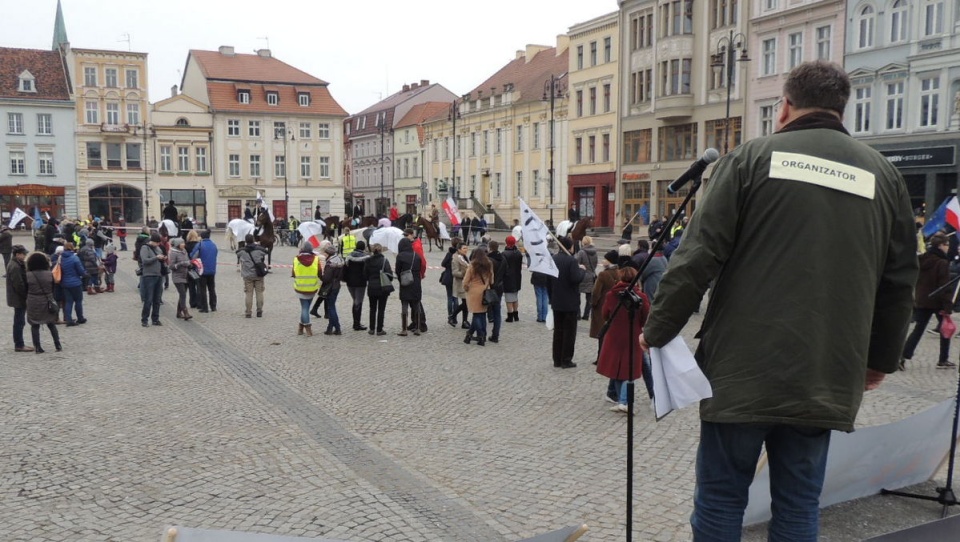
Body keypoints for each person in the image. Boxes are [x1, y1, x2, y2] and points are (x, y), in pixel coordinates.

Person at [638, 61, 918, 541]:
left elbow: (698, 256)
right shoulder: (884, 176)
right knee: (799, 503)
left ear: (785, 106)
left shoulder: (750, 159)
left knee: (722, 499)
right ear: (842, 109)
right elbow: (898, 282)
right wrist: (879, 361)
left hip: (742, 371)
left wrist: (658, 329)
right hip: (826, 370)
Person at [597, 266, 650, 413]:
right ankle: (623, 401)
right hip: (633, 336)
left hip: (614, 336)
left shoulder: (611, 295)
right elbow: (645, 316)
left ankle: (622, 400)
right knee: (629, 369)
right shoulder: (641, 297)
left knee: (618, 368)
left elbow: (605, 314)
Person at [901, 233, 955, 370]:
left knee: (918, 330)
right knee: (945, 330)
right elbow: (945, 286)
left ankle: (903, 356)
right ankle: (943, 359)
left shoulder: (921, 259)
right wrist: (948, 306)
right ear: (941, 245)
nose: (948, 247)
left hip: (923, 300)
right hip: (937, 302)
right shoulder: (942, 263)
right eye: (947, 244)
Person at [548, 237, 585, 368]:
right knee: (569, 332)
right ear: (570, 247)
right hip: (570, 302)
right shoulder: (572, 261)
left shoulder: (554, 259)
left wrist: (551, 297)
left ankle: (557, 359)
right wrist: (582, 270)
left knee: (558, 331)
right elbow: (575, 279)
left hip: (557, 301)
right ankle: (566, 359)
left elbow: (548, 281)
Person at [24, 252, 61, 353]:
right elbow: (53, 288)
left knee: (35, 325)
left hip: (33, 301)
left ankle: (38, 347)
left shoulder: (28, 275)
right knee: (51, 323)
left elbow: (25, 289)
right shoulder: (49, 274)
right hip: (47, 300)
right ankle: (57, 344)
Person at [590, 249, 620, 364]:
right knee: (612, 333)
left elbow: (596, 292)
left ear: (609, 261)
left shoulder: (603, 274)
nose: (603, 261)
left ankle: (601, 357)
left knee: (602, 333)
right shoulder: (619, 272)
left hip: (603, 306)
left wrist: (593, 303)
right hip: (616, 307)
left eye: (605, 259)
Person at [462, 246, 493, 345]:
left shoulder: (472, 265)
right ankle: (481, 334)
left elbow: (466, 281)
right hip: (485, 291)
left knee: (476, 315)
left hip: (474, 291)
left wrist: (466, 288)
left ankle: (480, 336)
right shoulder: (489, 264)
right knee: (482, 314)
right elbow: (492, 279)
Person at [6, 245, 32, 352]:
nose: (25, 256)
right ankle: (19, 344)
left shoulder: (18, 264)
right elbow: (19, 285)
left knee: (19, 321)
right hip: (18, 298)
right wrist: (26, 296)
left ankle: (19, 343)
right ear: (17, 254)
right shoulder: (15, 266)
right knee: (19, 321)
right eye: (23, 254)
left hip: (17, 297)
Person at [394, 237, 423, 336]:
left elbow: (398, 271)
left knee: (404, 305)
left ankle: (404, 329)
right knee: (416, 304)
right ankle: (418, 328)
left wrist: (401, 279)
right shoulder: (417, 256)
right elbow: (420, 268)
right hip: (416, 282)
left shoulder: (400, 256)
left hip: (405, 282)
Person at [292, 241, 321, 336]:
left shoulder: (296, 259)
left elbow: (293, 273)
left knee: (305, 308)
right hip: (312, 287)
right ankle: (304, 327)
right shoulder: (316, 259)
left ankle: (304, 327)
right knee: (306, 307)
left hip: (300, 287)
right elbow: (320, 273)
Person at [363, 243, 393, 336]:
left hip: (372, 287)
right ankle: (379, 329)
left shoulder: (368, 260)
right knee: (381, 309)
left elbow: (365, 274)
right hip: (382, 287)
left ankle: (372, 328)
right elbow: (390, 275)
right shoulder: (384, 261)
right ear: (381, 250)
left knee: (372, 308)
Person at [138, 233, 166, 327]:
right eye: (157, 243)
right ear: (152, 241)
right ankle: (144, 320)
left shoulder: (158, 248)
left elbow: (161, 256)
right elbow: (145, 260)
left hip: (158, 275)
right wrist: (156, 257)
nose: (158, 245)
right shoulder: (145, 248)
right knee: (148, 299)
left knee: (157, 299)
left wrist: (163, 258)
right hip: (149, 276)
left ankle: (155, 319)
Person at [404, 228, 429, 333]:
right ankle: (414, 321)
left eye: (406, 235)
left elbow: (422, 262)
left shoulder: (416, 246)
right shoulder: (411, 245)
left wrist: (421, 274)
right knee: (411, 300)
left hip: (415, 275)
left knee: (415, 300)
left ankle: (421, 322)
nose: (405, 237)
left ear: (411, 235)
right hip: (411, 275)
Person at [237, 233, 268, 318]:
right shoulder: (259, 250)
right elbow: (266, 252)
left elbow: (237, 253)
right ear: (253, 240)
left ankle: (248, 312)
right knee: (259, 293)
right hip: (258, 274)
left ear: (246, 241)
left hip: (247, 275)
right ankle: (259, 311)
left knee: (248, 294)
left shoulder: (242, 251)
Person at [344, 240, 370, 331]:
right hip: (360, 283)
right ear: (363, 247)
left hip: (350, 283)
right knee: (358, 302)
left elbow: (345, 268)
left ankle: (356, 322)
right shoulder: (366, 258)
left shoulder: (349, 256)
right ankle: (356, 324)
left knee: (355, 301)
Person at [59, 242, 87, 326]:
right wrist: (85, 274)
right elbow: (81, 271)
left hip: (65, 282)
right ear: (72, 248)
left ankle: (69, 320)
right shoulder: (75, 258)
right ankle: (80, 318)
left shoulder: (61, 258)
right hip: (75, 283)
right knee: (78, 301)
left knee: (68, 302)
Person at [191, 230, 218, 313]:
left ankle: (204, 307)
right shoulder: (214, 245)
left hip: (202, 269)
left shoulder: (200, 245)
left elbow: (193, 255)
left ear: (201, 237)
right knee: (212, 289)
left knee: (203, 289)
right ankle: (213, 306)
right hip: (212, 270)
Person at [320, 244, 344, 335]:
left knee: (331, 308)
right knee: (331, 306)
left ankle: (337, 328)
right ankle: (329, 328)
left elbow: (326, 278)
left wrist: (320, 275)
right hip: (337, 285)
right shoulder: (339, 260)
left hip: (331, 286)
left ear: (329, 254)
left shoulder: (330, 264)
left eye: (325, 254)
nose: (324, 255)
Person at [167, 237, 192, 320]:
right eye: (182, 243)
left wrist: (190, 263)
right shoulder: (173, 253)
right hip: (177, 277)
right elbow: (171, 266)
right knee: (183, 294)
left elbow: (187, 261)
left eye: (184, 243)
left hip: (185, 275)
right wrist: (181, 264)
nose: (184, 244)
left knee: (182, 294)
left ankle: (178, 312)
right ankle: (185, 312)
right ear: (178, 244)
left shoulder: (184, 251)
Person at [575, 236, 599, 320]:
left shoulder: (581, 252)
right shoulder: (595, 252)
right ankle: (586, 315)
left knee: (577, 295)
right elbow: (596, 264)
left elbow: (577, 263)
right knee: (589, 297)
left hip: (582, 275)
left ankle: (578, 314)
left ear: (583, 242)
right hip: (591, 275)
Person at [486, 240, 505, 342]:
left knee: (483, 310)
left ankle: (481, 333)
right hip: (500, 287)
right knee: (497, 312)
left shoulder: (489, 260)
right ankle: (495, 334)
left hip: (490, 288)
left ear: (490, 248)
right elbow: (506, 273)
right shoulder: (503, 258)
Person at [502, 236, 523, 322]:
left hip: (508, 277)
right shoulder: (518, 253)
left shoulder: (504, 254)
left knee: (509, 298)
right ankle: (516, 314)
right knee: (515, 296)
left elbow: (503, 267)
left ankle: (510, 315)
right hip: (517, 276)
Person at [441, 239, 460, 326]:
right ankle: (454, 316)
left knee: (450, 297)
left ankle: (450, 315)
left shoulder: (449, 254)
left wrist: (448, 266)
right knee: (455, 298)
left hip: (449, 276)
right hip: (456, 277)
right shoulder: (459, 254)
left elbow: (443, 263)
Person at [451, 242, 470, 328]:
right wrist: (464, 273)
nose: (466, 250)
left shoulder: (464, 257)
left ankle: (464, 321)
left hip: (467, 283)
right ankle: (452, 317)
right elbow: (454, 272)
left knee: (465, 303)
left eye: (466, 248)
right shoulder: (455, 258)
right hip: (460, 283)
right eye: (464, 248)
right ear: (459, 250)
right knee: (465, 303)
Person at [184, 229, 201, 309]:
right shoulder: (199, 245)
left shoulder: (185, 245)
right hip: (198, 266)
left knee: (191, 286)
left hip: (189, 267)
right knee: (199, 285)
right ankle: (199, 302)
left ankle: (192, 302)